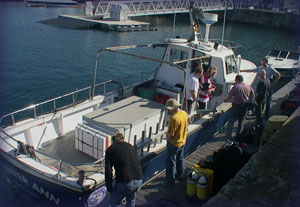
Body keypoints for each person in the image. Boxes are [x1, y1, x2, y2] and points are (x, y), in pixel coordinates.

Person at [105, 133, 143, 207]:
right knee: (131, 199)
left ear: (113, 141)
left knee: (115, 202)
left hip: (125, 182)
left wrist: (109, 189)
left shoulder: (111, 149)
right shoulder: (130, 146)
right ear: (123, 139)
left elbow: (108, 171)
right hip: (139, 179)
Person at [162, 98, 188, 186]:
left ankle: (170, 182)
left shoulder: (174, 118)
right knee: (180, 158)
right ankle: (180, 175)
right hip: (182, 141)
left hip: (174, 143)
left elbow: (171, 134)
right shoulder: (184, 113)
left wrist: (167, 141)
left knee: (170, 163)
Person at [224, 75, 255, 141]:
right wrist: (248, 98)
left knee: (231, 121)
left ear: (237, 80)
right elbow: (252, 94)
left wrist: (225, 100)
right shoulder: (247, 86)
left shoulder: (235, 87)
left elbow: (228, 98)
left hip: (236, 106)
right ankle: (238, 136)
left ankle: (228, 136)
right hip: (245, 105)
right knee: (241, 121)